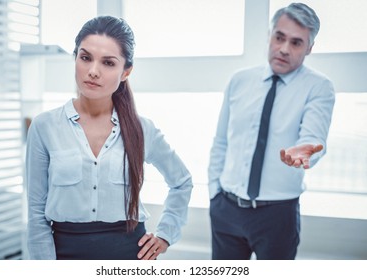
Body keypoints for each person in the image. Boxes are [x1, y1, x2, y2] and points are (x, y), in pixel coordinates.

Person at [26, 15, 193, 260]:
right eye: (85, 58)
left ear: (126, 72)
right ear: (75, 59)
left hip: (130, 256)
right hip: (65, 255)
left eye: (108, 63)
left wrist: (166, 235)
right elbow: (36, 214)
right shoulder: (44, 126)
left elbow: (182, 181)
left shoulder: (142, 129)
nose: (93, 71)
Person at [208, 3, 335, 260]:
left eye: (297, 43)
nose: (284, 49)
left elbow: (313, 138)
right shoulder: (239, 80)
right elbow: (221, 141)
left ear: (309, 48)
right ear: (270, 36)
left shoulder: (319, 87)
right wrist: (215, 194)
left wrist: (306, 151)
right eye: (279, 37)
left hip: (277, 214)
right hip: (227, 209)